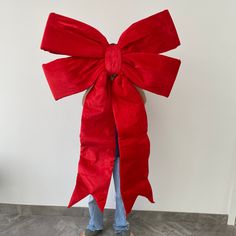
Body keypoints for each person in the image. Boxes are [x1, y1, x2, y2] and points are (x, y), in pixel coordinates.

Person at [80, 83, 146, 236]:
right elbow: (84, 102)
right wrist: (96, 82)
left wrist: (130, 81)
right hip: (100, 149)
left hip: (124, 148)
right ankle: (94, 225)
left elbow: (143, 100)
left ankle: (121, 226)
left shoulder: (128, 80)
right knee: (94, 190)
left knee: (122, 191)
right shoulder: (97, 81)